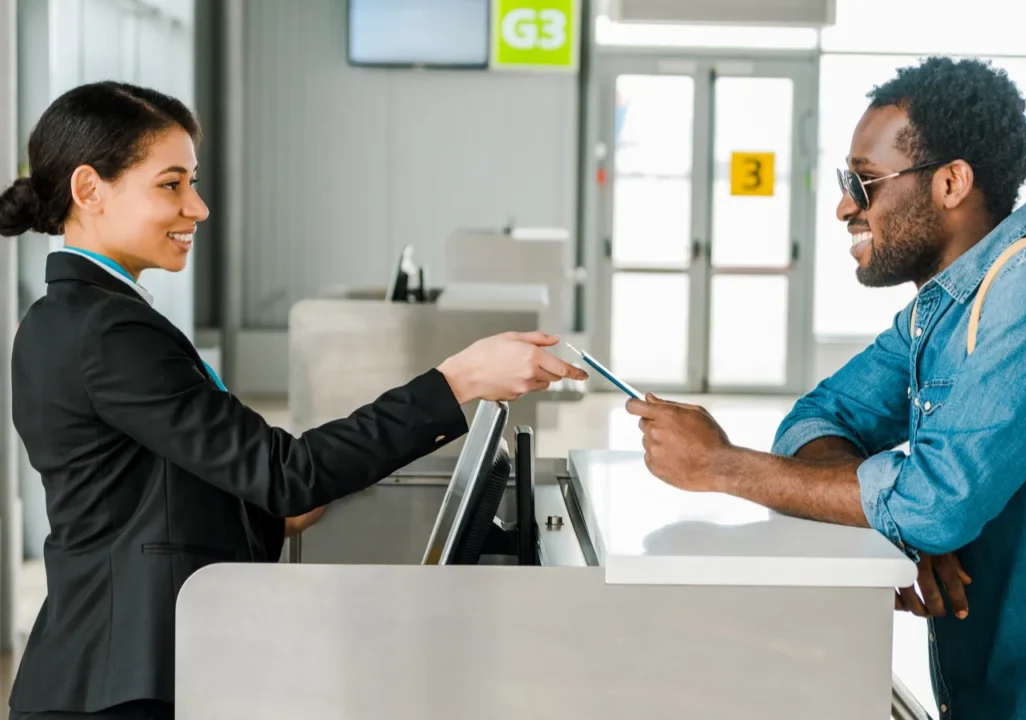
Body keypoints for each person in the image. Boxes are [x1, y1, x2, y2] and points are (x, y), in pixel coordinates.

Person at [0, 81, 588, 720]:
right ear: (90, 190)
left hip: (111, 665)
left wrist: (265, 517)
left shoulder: (81, 316)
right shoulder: (108, 331)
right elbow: (287, 475)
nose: (196, 207)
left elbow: (141, 492)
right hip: (119, 682)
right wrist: (458, 380)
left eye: (193, 182)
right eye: (171, 185)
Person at [626, 58, 1026, 719]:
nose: (844, 205)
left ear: (950, 182)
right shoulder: (939, 311)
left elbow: (936, 502)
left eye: (863, 181)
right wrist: (901, 525)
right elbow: (816, 419)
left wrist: (722, 466)